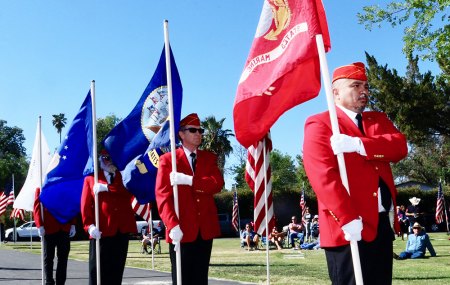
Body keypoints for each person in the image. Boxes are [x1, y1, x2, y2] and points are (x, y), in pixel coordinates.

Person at [303, 62, 408, 285]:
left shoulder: (377, 119)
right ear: (335, 93)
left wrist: (360, 145)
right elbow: (322, 176)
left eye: (367, 87)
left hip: (381, 225)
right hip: (348, 227)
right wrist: (346, 217)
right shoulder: (319, 123)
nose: (364, 92)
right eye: (356, 85)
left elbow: (399, 147)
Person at [155, 113, 224, 285]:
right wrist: (172, 225)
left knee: (201, 279)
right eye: (193, 130)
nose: (198, 133)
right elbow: (163, 196)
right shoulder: (168, 160)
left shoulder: (209, 158)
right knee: (181, 279)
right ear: (181, 134)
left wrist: (190, 180)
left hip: (204, 229)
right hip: (181, 229)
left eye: (200, 130)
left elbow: (216, 184)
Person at [81, 149, 137, 285]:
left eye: (112, 158)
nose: (110, 161)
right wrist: (89, 226)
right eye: (106, 158)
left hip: (121, 230)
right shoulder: (91, 179)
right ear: (100, 159)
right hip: (101, 231)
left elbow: (129, 192)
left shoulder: (124, 177)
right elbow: (85, 206)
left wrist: (108, 187)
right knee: (97, 272)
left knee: (116, 272)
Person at [33, 187, 76, 285]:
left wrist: (73, 224)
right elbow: (36, 206)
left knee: (63, 259)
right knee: (48, 258)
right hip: (48, 227)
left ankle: (61, 282)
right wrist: (39, 225)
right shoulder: (41, 186)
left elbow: (71, 205)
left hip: (64, 226)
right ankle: (49, 281)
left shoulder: (65, 185)